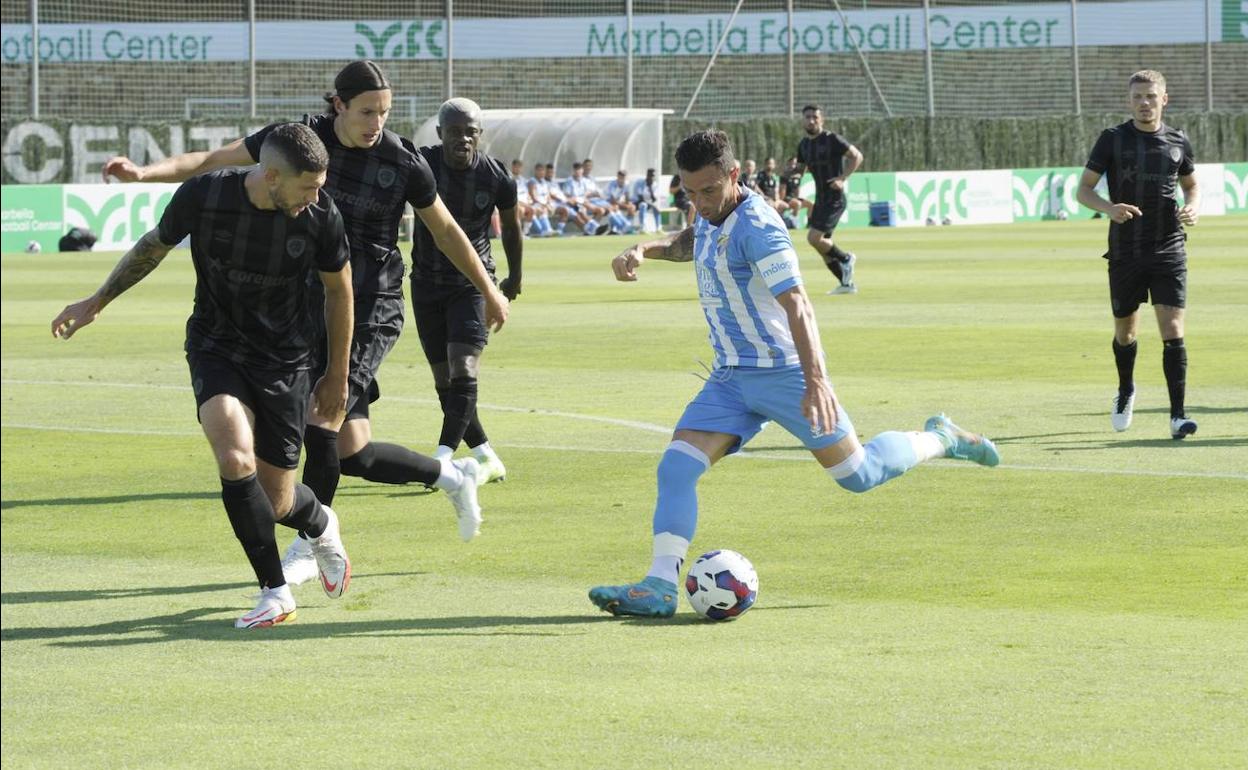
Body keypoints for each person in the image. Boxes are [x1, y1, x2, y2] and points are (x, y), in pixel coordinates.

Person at [101, 60, 508, 580]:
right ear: (337, 105)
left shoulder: (403, 162)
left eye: (384, 112)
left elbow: (448, 231)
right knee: (352, 452)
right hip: (311, 309)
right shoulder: (296, 143)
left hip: (372, 307)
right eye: (366, 112)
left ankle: (306, 546)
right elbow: (211, 159)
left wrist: (488, 288)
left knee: (322, 422)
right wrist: (143, 174)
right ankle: (453, 477)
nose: (376, 123)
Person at [588, 130, 1000, 618]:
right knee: (676, 467)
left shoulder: (759, 228)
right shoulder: (710, 214)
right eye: (689, 192)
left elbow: (798, 304)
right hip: (729, 380)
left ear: (734, 177)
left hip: (784, 374)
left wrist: (817, 381)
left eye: (708, 191)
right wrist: (645, 249)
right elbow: (692, 239)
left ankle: (942, 438)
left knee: (857, 474)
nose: (697, 203)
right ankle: (659, 585)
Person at [54, 124, 354, 629]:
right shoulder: (205, 195)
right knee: (234, 457)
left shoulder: (321, 216)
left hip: (285, 358)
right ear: (273, 176)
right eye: (309, 186)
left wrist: (337, 376)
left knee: (279, 499)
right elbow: (152, 248)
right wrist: (95, 301)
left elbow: (340, 292)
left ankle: (321, 524)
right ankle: (274, 592)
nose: (317, 195)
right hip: (217, 345)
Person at [1076, 70, 1200, 439]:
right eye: (1137, 98)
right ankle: (1126, 389)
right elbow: (1083, 190)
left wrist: (1193, 206)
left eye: (1150, 96)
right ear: (1129, 101)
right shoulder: (1112, 139)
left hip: (1169, 246)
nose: (1144, 103)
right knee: (1126, 333)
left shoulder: (1179, 140)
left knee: (1173, 329)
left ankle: (1178, 415)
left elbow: (1192, 185)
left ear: (1165, 98)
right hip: (1126, 250)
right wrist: (1109, 207)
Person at [413, 98, 520, 481]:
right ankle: (486, 455)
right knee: (445, 380)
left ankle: (441, 459)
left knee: (464, 367)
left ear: (479, 134)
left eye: (470, 131)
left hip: (473, 286)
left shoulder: (496, 176)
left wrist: (514, 278)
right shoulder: (422, 166)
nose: (462, 138)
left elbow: (510, 228)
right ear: (441, 133)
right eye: (454, 131)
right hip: (425, 284)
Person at [795, 105, 863, 295]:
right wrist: (791, 176)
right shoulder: (804, 145)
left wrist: (842, 178)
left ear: (821, 120)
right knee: (821, 245)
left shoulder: (832, 139)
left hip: (834, 199)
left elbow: (857, 156)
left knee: (813, 238)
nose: (811, 120)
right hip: (820, 199)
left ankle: (846, 258)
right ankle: (846, 284)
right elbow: (799, 170)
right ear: (802, 120)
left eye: (815, 117)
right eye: (807, 117)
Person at [779, 155, 809, 229]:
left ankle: (810, 225)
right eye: (791, 163)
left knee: (811, 205)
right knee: (798, 204)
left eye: (795, 164)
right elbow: (782, 191)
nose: (793, 166)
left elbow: (797, 189)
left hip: (794, 198)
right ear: (788, 164)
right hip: (787, 198)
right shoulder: (785, 176)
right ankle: (793, 224)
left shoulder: (798, 176)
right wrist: (782, 201)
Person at [630, 168, 662, 233]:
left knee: (656, 207)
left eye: (653, 176)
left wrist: (650, 189)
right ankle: (643, 228)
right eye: (650, 176)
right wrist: (653, 205)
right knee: (643, 205)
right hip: (636, 202)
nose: (651, 178)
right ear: (647, 175)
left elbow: (654, 199)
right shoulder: (640, 183)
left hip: (648, 203)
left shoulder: (655, 185)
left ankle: (658, 228)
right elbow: (640, 198)